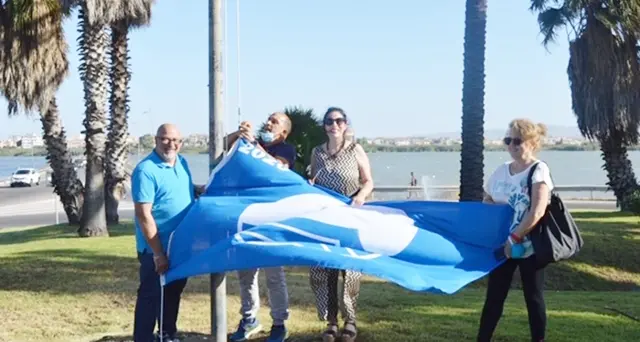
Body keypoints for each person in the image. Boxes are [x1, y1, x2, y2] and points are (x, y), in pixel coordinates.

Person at [477, 119, 553, 342]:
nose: (511, 145)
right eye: (507, 140)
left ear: (531, 143)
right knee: (494, 297)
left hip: (530, 246)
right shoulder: (501, 171)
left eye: (517, 141)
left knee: (534, 297)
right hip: (503, 245)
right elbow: (488, 197)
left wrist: (515, 236)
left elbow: (537, 211)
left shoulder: (539, 170)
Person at [225, 112, 296, 342]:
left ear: (283, 131)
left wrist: (254, 145)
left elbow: (274, 169)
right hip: (247, 218)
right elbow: (221, 146)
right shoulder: (252, 144)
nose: (268, 123)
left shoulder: (286, 150)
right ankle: (249, 319)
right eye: (268, 119)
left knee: (274, 276)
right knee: (245, 274)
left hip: (272, 220)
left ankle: (279, 323)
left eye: (274, 121)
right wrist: (239, 134)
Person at [132, 124, 204, 342]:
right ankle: (143, 338)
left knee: (172, 293)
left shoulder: (181, 162)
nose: (170, 144)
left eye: (175, 140)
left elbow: (186, 189)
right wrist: (158, 253)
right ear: (155, 140)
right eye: (165, 139)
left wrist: (205, 191)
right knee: (151, 297)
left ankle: (167, 335)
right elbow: (144, 215)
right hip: (155, 248)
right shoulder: (146, 170)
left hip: (180, 244)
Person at [308, 107, 374, 342]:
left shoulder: (355, 150)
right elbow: (312, 181)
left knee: (351, 270)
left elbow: (368, 181)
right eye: (329, 121)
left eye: (339, 120)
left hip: (351, 218)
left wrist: (361, 196)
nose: (334, 125)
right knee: (323, 268)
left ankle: (351, 320)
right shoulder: (317, 153)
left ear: (345, 124)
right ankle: (331, 321)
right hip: (326, 219)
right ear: (324, 126)